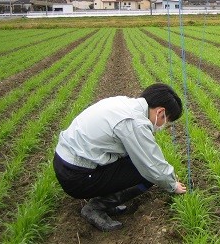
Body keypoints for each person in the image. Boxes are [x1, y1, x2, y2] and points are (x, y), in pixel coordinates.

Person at [53, 83, 187, 231]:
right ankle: (96, 207)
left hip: (65, 162)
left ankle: (106, 200)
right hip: (76, 177)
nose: (163, 125)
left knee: (133, 160)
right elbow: (152, 165)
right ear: (160, 112)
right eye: (166, 120)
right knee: (147, 174)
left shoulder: (124, 102)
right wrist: (172, 185)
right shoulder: (134, 122)